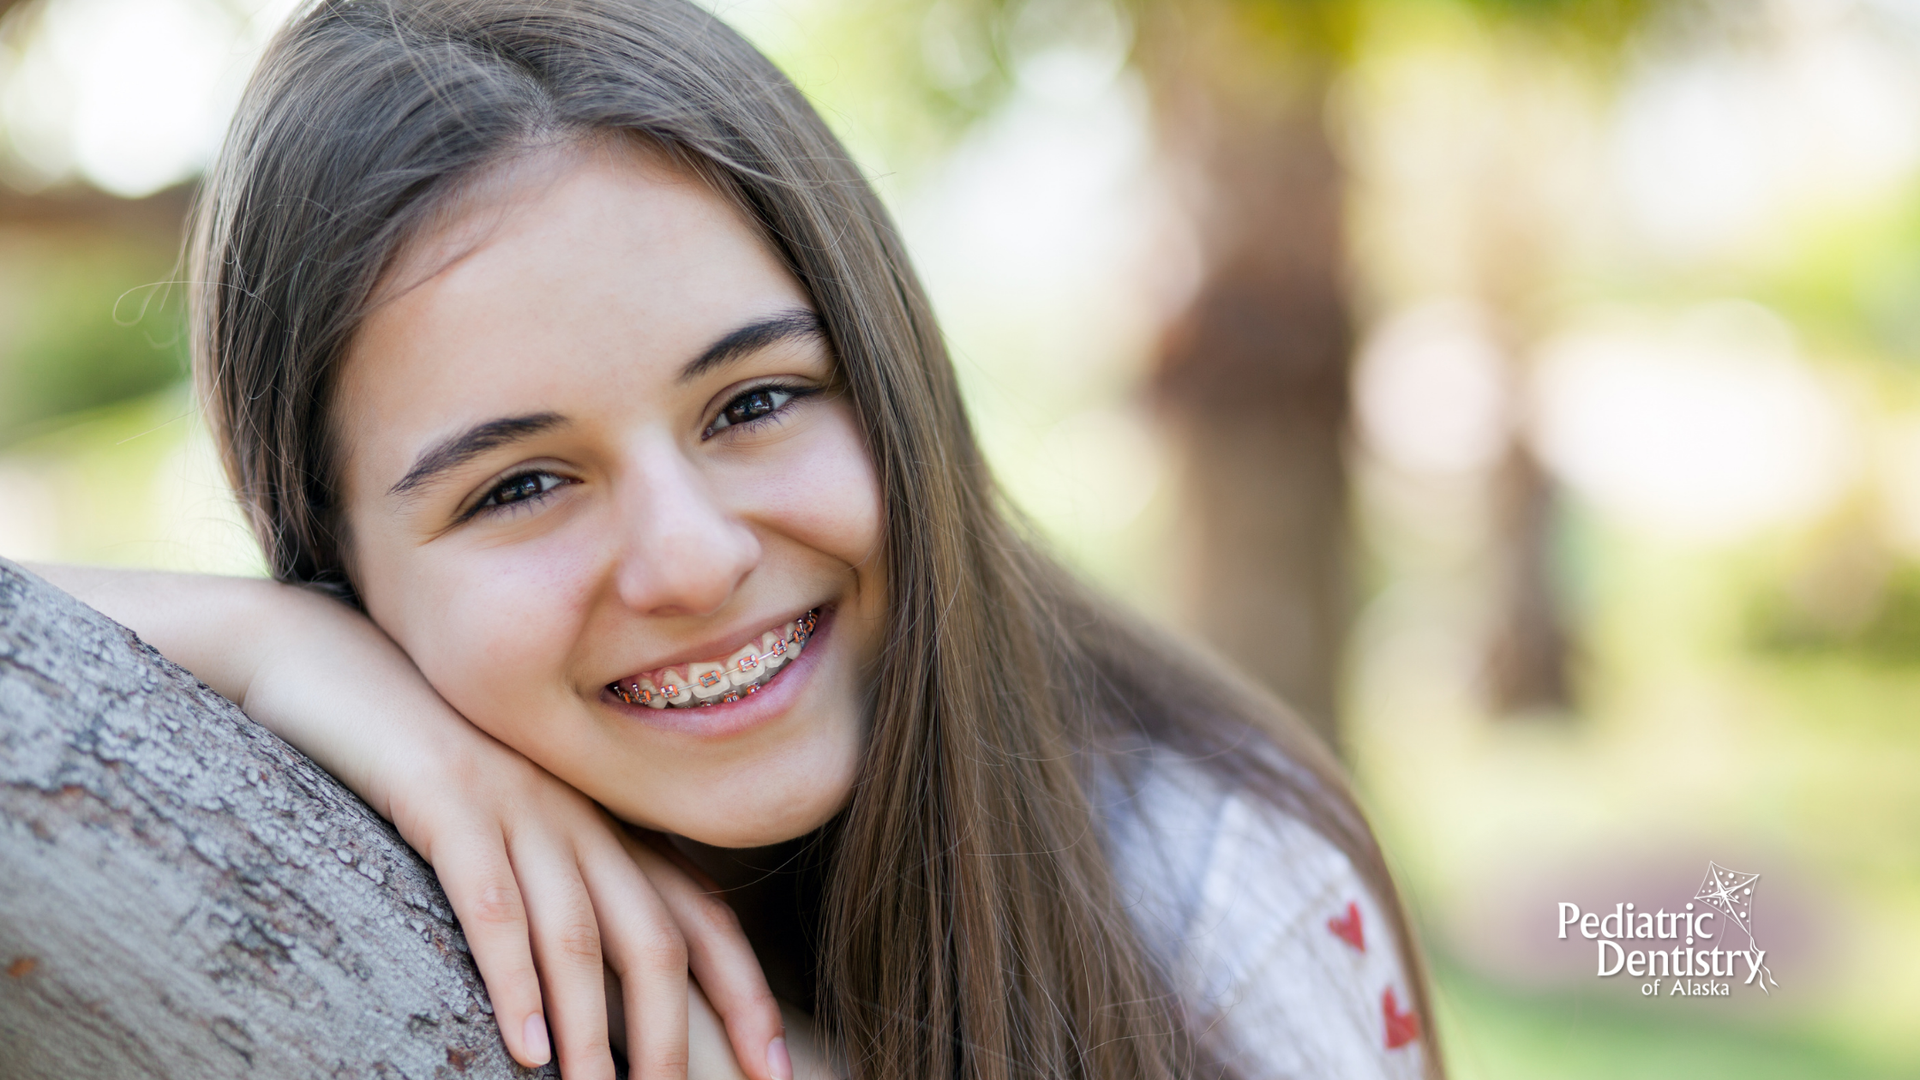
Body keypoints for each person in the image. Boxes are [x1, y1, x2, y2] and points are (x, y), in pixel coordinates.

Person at [33, 1, 1438, 1078]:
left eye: (755, 401)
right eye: (519, 487)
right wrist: (274, 654)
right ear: (338, 560)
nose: (694, 559)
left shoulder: (1212, 891)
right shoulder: (271, 833)